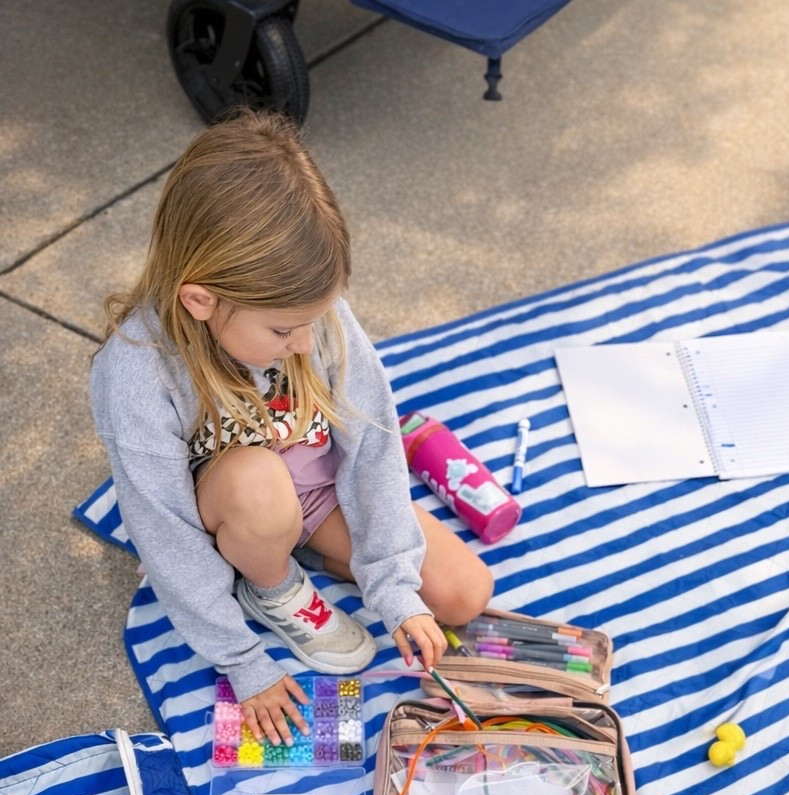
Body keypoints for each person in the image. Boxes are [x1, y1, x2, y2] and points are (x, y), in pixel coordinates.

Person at [91, 110, 493, 747]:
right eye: (283, 331)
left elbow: (372, 445)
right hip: (237, 501)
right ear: (200, 301)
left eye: (316, 318)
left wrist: (394, 587)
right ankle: (269, 582)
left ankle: (290, 552)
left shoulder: (308, 307)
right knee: (258, 487)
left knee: (465, 594)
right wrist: (242, 661)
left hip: (313, 493)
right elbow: (163, 529)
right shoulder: (137, 373)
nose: (307, 343)